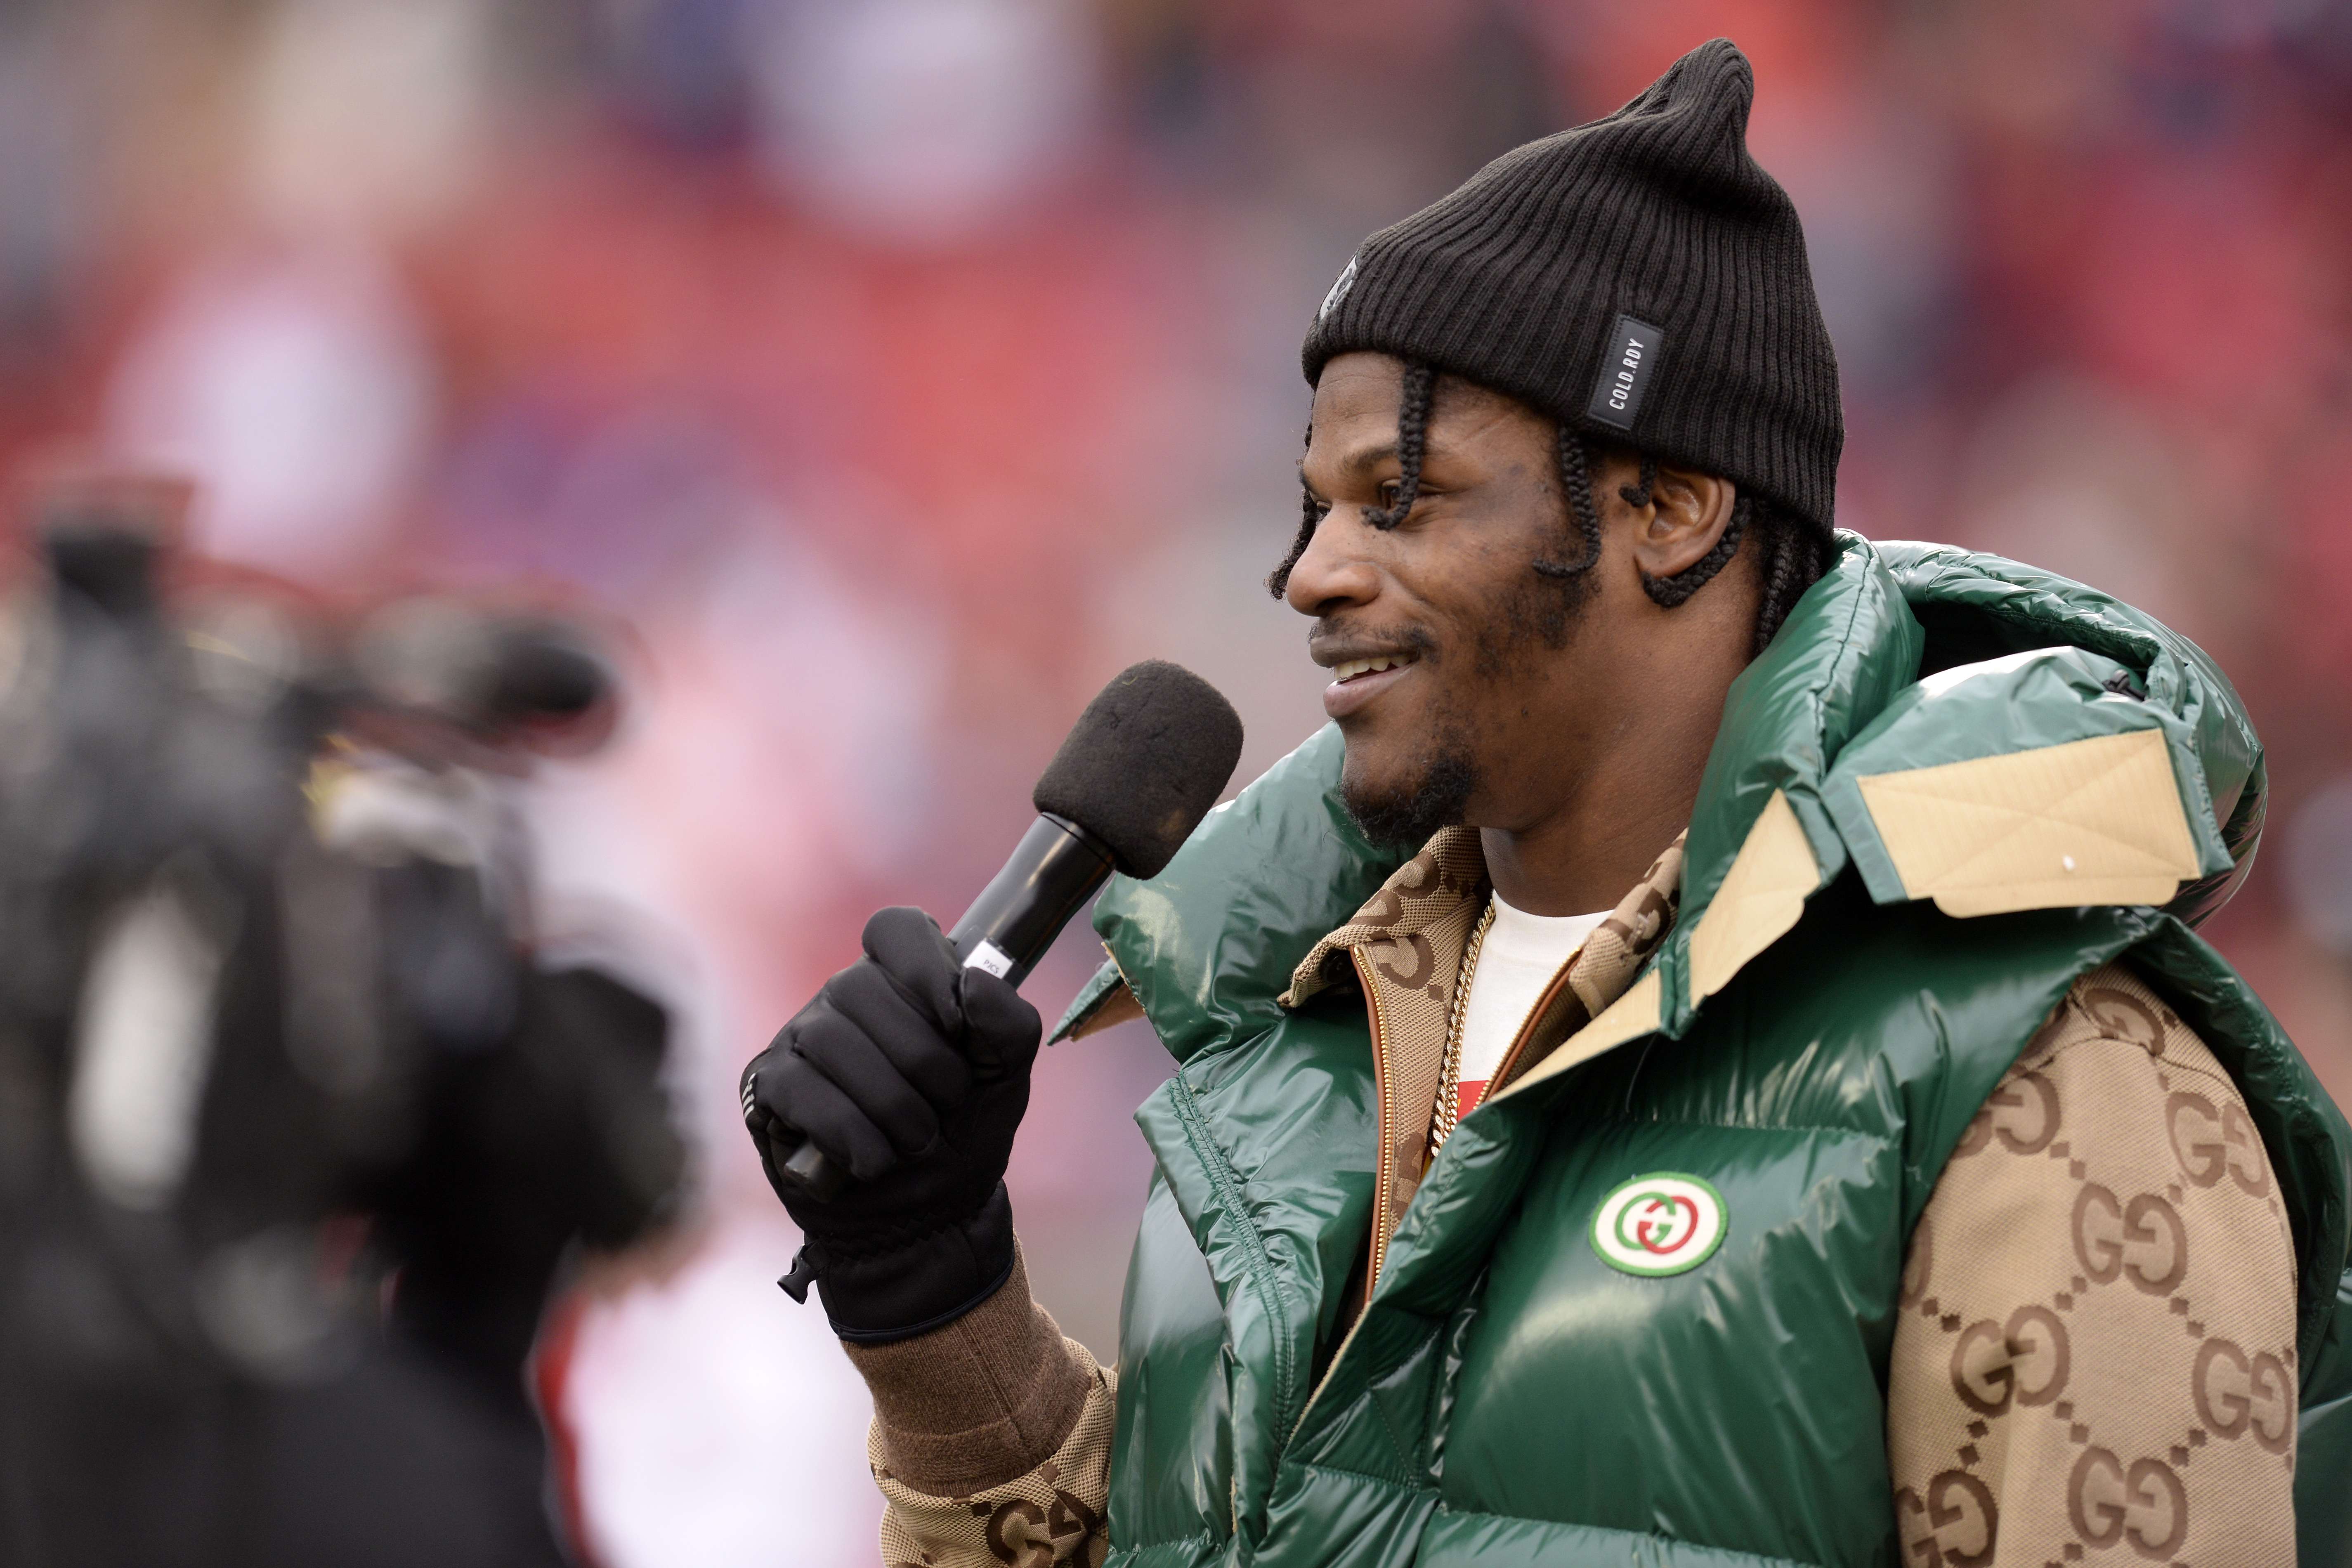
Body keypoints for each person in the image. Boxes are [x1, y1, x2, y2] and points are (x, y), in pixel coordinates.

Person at [741, 40, 2352, 1568]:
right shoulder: (1303, 1032)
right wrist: (937, 1296)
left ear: (1670, 506)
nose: (1311, 572)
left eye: (1404, 496)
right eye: (1314, 504)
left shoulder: (2044, 1072)